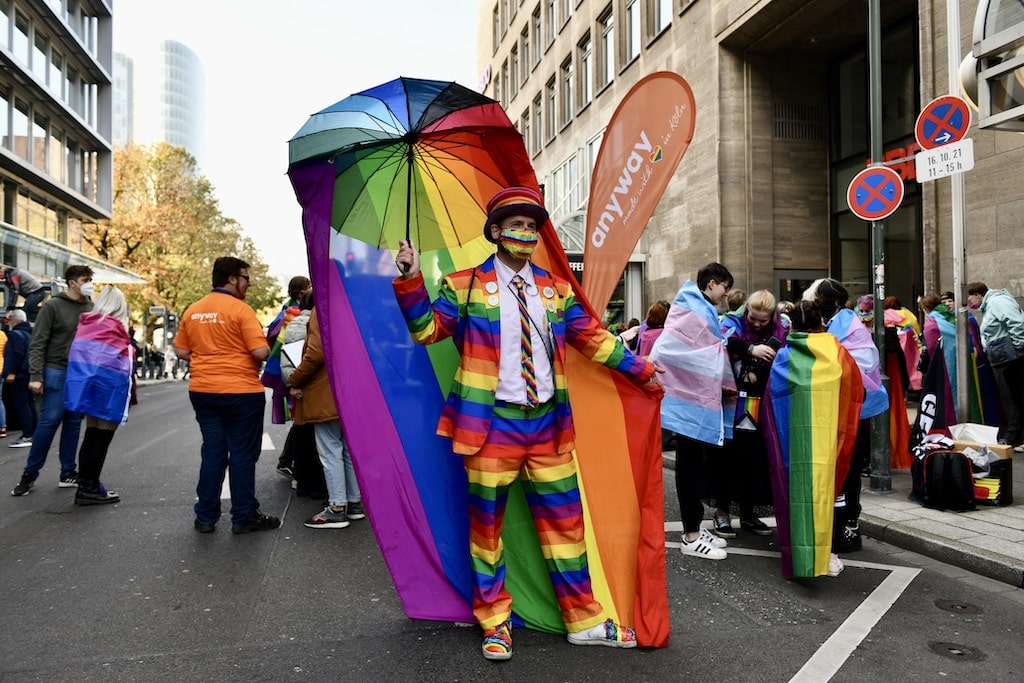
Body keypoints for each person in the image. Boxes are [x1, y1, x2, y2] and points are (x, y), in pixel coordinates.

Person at [393, 186, 659, 661]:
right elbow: (427, 331)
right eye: (517, 225)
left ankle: (584, 619)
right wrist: (412, 279)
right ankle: (495, 622)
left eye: (533, 226)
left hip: (548, 426)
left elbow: (593, 339)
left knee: (567, 526)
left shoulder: (556, 288)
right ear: (495, 232)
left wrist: (642, 370)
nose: (527, 233)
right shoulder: (464, 284)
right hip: (489, 426)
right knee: (487, 532)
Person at [172, 256, 277, 534]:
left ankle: (205, 516)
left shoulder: (193, 310)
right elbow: (259, 352)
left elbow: (181, 351)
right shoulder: (241, 311)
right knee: (242, 454)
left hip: (204, 390)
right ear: (232, 278)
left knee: (213, 451)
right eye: (245, 277)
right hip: (241, 392)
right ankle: (243, 516)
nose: (249, 283)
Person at [763, 301, 863, 578]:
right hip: (831, 436)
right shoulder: (838, 352)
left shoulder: (785, 355)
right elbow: (855, 389)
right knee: (828, 493)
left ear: (792, 326)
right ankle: (826, 552)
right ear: (821, 323)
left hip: (794, 439)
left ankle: (800, 553)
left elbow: (773, 399)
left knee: (794, 494)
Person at [649, 262, 737, 561]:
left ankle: (695, 527)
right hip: (691, 404)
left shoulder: (696, 307)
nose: (725, 294)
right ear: (712, 283)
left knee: (696, 467)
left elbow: (706, 349)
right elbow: (678, 350)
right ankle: (691, 535)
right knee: (691, 469)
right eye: (724, 287)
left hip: (695, 401)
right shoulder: (695, 309)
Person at [802, 278, 887, 553]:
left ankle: (850, 523)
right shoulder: (829, 324)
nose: (817, 305)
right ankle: (835, 523)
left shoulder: (849, 326)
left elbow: (860, 364)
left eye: (819, 300)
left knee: (849, 467)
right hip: (833, 409)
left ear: (834, 301)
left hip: (855, 410)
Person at [11, 265, 94, 497]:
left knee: (73, 422)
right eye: (85, 279)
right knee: (49, 421)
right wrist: (36, 375)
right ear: (72, 283)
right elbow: (37, 342)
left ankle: (68, 472)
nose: (89, 283)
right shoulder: (53, 306)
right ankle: (29, 474)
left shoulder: (90, 306)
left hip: (79, 374)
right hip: (55, 370)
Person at [713, 289, 788, 537]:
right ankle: (722, 513)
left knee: (754, 461)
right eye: (752, 317)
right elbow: (723, 340)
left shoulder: (781, 328)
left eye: (762, 320)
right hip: (733, 405)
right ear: (746, 310)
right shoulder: (731, 321)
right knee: (728, 461)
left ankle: (748, 514)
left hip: (763, 405)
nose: (756, 323)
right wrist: (751, 349)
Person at [289, 301, 365, 529]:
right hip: (348, 390)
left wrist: (295, 379)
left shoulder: (321, 309)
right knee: (346, 450)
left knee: (330, 450)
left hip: (325, 392)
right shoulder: (348, 307)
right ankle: (354, 503)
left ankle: (336, 508)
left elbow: (315, 354)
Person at [64, 286, 134, 505]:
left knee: (91, 435)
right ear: (120, 306)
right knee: (101, 439)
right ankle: (90, 488)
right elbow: (123, 359)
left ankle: (86, 485)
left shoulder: (86, 324)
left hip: (86, 386)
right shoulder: (115, 327)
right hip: (107, 388)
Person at [967, 281, 1024, 450]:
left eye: (969, 297)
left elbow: (1017, 323)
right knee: (1015, 397)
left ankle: (1013, 437)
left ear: (978, 294)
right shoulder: (991, 304)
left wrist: (1020, 347)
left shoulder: (997, 302)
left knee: (1015, 397)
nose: (969, 303)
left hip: (1012, 357)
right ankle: (1016, 437)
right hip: (1006, 357)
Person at [4, 309, 37, 448]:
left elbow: (16, 354)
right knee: (30, 403)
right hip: (28, 372)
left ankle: (27, 434)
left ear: (13, 320)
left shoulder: (16, 335)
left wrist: (11, 371)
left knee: (22, 404)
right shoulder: (29, 333)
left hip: (19, 374)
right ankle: (33, 433)